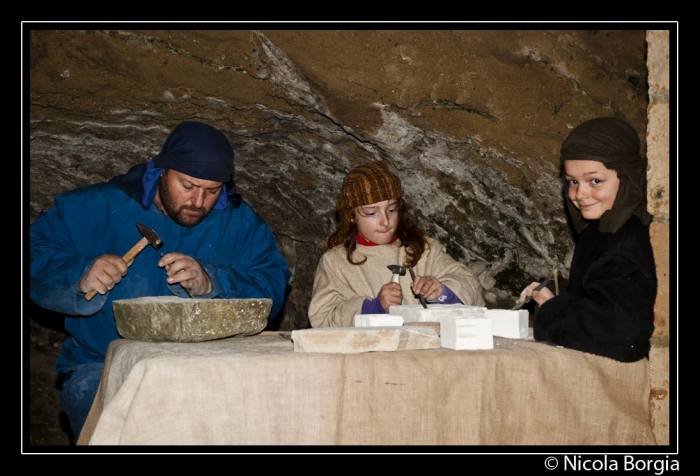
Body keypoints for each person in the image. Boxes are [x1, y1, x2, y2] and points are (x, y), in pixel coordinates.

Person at [29, 121, 291, 442]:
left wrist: (212, 281)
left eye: (212, 190)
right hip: (103, 368)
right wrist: (80, 273)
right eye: (188, 185)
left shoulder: (239, 223)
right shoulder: (92, 208)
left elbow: (272, 284)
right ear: (162, 169)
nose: (198, 201)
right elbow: (34, 253)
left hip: (207, 367)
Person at [516, 117, 656, 362]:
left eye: (595, 181)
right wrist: (553, 299)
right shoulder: (601, 233)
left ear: (628, 179)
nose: (579, 194)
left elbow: (622, 335)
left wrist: (553, 310)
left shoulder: (622, 246)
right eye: (572, 181)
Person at [308, 161, 484, 327]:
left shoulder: (424, 250)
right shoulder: (335, 263)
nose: (385, 221)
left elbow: (469, 284)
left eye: (391, 210)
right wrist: (373, 308)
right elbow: (322, 319)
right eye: (371, 213)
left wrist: (442, 292)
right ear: (351, 217)